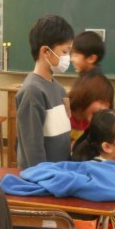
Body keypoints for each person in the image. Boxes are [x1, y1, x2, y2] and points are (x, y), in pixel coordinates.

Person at [16, 15, 74, 169]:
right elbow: (33, 149)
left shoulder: (59, 89)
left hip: (60, 173)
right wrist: (44, 177)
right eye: (64, 51)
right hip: (44, 177)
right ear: (46, 51)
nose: (68, 58)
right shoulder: (32, 91)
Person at [68, 31, 115, 139]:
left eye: (75, 54)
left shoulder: (95, 84)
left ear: (91, 58)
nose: (72, 59)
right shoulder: (87, 78)